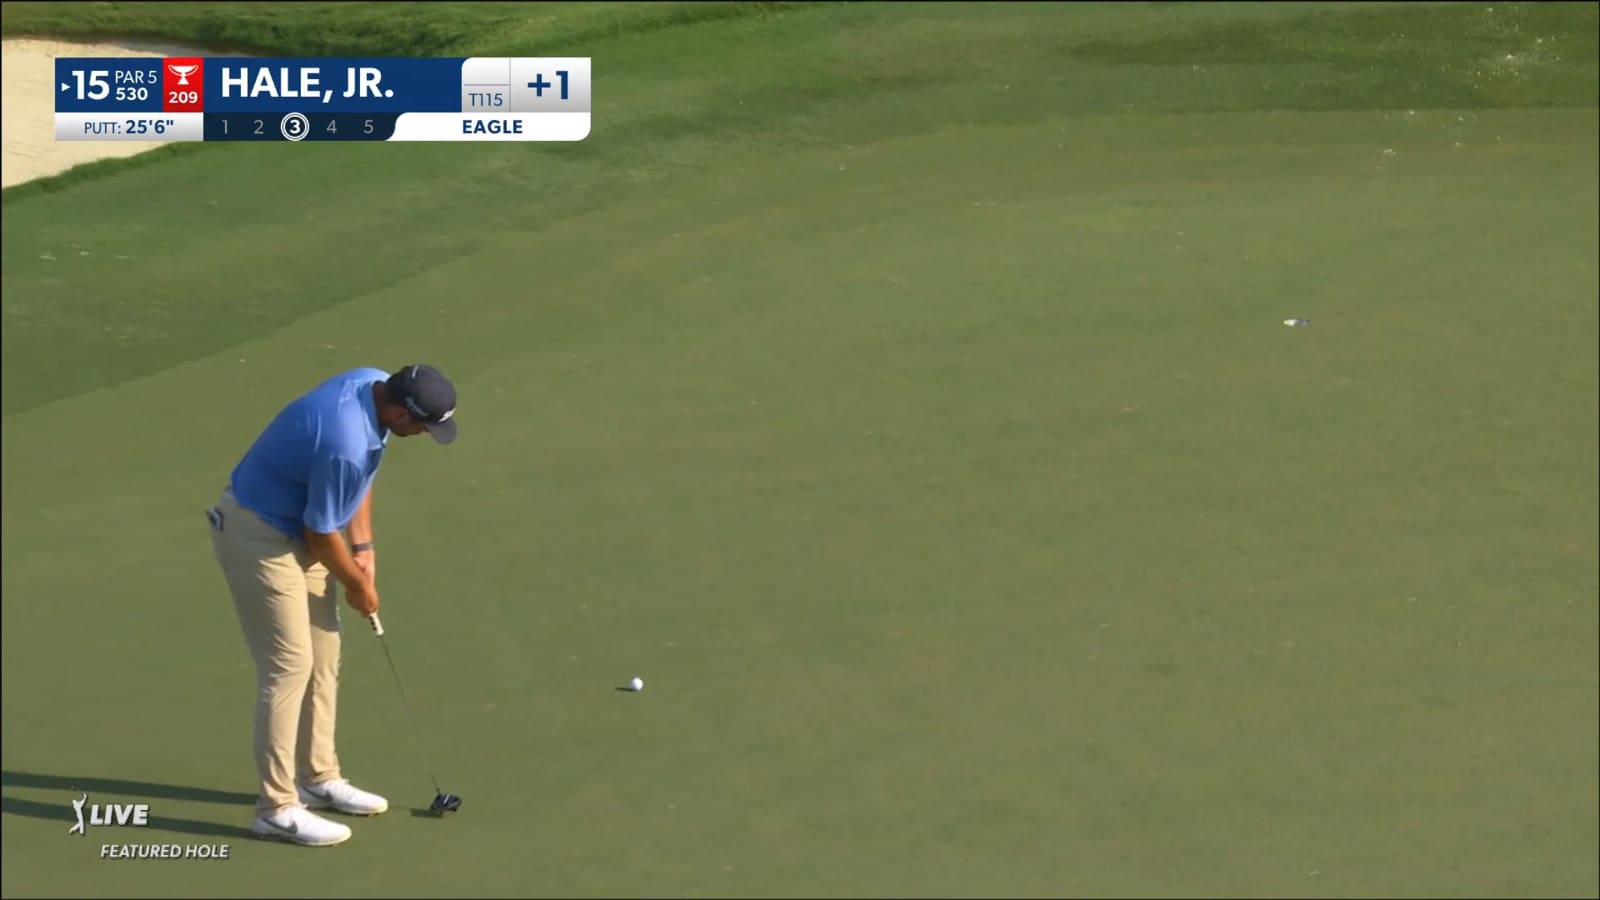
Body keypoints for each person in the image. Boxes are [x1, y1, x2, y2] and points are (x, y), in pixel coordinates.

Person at [206, 364, 459, 847]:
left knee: (324, 655)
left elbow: (359, 481)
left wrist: (364, 553)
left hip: (299, 530)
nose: (425, 435)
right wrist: (357, 587)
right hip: (258, 534)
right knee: (289, 666)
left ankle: (318, 777)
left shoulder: (373, 383)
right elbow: (321, 532)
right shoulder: (345, 441)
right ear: (402, 414)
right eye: (424, 426)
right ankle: (276, 808)